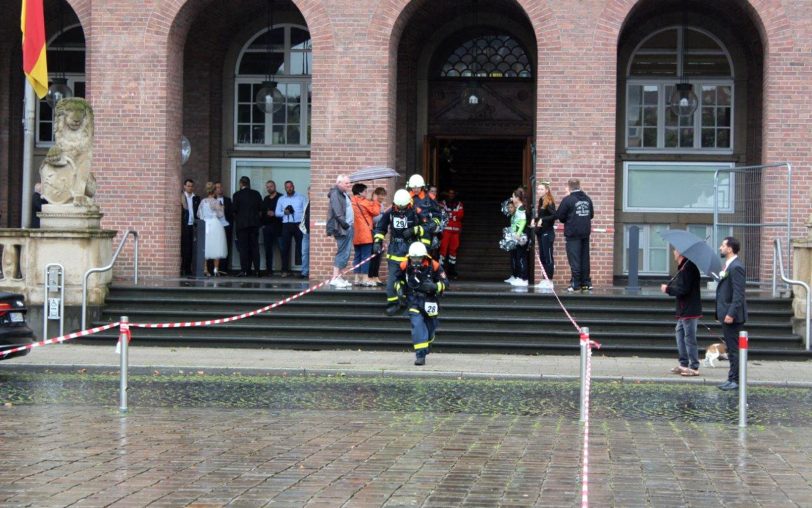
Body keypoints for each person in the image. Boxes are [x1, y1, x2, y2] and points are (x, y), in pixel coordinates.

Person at [394, 241, 449, 366]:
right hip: (414, 300)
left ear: (424, 256)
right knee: (417, 325)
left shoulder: (434, 265)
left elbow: (446, 283)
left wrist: (435, 286)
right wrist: (400, 290)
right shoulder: (405, 265)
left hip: (430, 301)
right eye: (413, 257)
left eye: (418, 257)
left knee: (431, 328)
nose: (416, 260)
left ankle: (427, 343)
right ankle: (420, 355)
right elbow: (398, 279)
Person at [373, 189, 425, 315]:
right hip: (395, 251)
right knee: (392, 280)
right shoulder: (390, 212)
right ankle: (393, 303)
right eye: (398, 206)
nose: (401, 209)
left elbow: (428, 227)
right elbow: (381, 227)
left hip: (412, 252)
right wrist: (377, 241)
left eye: (403, 207)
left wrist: (415, 230)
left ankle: (412, 303)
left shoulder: (416, 212)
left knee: (412, 278)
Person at [661, 247, 702, 376]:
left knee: (689, 339)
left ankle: (694, 367)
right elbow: (681, 287)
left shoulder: (689, 268)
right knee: (680, 335)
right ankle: (683, 364)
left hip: (689, 310)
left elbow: (683, 290)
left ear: (680, 253)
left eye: (675, 250)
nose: (673, 252)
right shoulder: (683, 267)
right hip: (683, 310)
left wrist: (668, 290)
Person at [716, 236, 747, 391]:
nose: (720, 248)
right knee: (731, 348)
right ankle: (731, 378)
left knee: (734, 350)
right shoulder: (728, 266)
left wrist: (730, 313)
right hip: (726, 314)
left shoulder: (736, 267)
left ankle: (735, 380)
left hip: (733, 316)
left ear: (729, 248)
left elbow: (738, 294)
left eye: (722, 245)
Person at [557, 178, 594, 292]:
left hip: (573, 233)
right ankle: (586, 283)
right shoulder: (587, 199)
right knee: (584, 257)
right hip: (585, 232)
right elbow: (591, 215)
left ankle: (575, 283)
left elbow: (560, 216)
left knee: (574, 259)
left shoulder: (568, 200)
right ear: (579, 186)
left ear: (569, 187)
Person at [326, 175, 354, 288]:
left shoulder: (343, 194)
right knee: (342, 252)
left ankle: (339, 277)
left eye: (349, 183)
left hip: (347, 227)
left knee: (346, 253)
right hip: (341, 228)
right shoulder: (335, 194)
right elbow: (338, 213)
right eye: (346, 183)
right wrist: (346, 225)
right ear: (339, 183)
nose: (349, 185)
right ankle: (335, 277)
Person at [351, 183, 381, 286]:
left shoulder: (351, 201)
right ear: (360, 192)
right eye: (365, 191)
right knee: (365, 256)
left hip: (355, 234)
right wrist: (376, 201)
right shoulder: (364, 202)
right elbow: (376, 212)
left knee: (357, 256)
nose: (367, 193)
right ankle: (364, 278)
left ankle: (356, 278)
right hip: (365, 234)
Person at [232, 176, 263, 277]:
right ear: (249, 184)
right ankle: (257, 270)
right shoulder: (256, 194)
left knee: (244, 248)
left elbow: (234, 210)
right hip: (254, 225)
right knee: (255, 247)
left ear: (241, 184)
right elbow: (261, 208)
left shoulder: (237, 195)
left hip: (242, 225)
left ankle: (245, 270)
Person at [275, 180, 306, 277]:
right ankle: (285, 270)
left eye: (291, 186)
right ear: (285, 188)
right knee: (285, 248)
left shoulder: (301, 197)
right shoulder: (281, 199)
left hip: (298, 224)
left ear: (294, 186)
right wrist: (284, 212)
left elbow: (306, 211)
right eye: (287, 187)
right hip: (286, 225)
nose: (289, 188)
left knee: (301, 247)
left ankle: (303, 270)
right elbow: (276, 213)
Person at [197, 182, 228, 276]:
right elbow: (220, 215)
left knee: (205, 246)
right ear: (214, 191)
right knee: (217, 246)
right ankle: (215, 269)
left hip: (205, 225)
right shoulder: (216, 202)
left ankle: (205, 269)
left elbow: (198, 214)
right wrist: (222, 208)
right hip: (215, 224)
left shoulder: (203, 201)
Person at [406, 174, 441, 253]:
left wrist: (431, 225)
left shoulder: (430, 197)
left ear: (422, 186)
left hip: (425, 231)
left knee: (424, 255)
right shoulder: (406, 197)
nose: (415, 189)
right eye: (413, 187)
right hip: (409, 232)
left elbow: (438, 216)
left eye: (417, 187)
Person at [530, 181, 556, 288]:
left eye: (541, 189)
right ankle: (544, 279)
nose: (539, 191)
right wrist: (534, 219)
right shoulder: (541, 200)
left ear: (546, 190)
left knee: (548, 256)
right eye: (538, 189)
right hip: (541, 233)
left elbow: (554, 216)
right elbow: (542, 216)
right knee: (542, 256)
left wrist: (542, 219)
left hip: (547, 233)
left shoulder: (549, 202)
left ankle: (549, 280)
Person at [439, 188, 464, 279]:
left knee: (453, 252)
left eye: (453, 193)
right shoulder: (443, 203)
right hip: (446, 230)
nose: (451, 195)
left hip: (455, 232)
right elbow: (442, 214)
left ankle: (451, 271)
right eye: (449, 193)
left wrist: (450, 214)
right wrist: (453, 214)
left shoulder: (459, 203)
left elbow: (460, 215)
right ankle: (440, 271)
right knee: (443, 251)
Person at [506, 188, 529, 287]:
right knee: (519, 256)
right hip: (517, 234)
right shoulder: (519, 207)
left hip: (521, 235)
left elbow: (522, 221)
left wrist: (518, 233)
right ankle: (519, 277)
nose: (512, 198)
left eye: (513, 196)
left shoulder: (521, 208)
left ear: (518, 198)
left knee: (521, 257)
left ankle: (524, 278)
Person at [261, 180, 283, 276]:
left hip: (279, 226)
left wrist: (274, 213)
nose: (269, 188)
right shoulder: (265, 199)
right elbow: (262, 212)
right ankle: (268, 270)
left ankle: (284, 270)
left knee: (282, 249)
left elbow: (283, 210)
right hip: (267, 227)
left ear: (275, 186)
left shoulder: (281, 197)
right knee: (268, 249)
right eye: (268, 187)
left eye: (271, 186)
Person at [367, 187, 388, 286]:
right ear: (376, 194)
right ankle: (371, 276)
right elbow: (374, 219)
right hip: (373, 232)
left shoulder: (381, 205)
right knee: (374, 255)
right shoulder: (372, 204)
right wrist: (384, 215)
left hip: (380, 232)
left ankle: (376, 276)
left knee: (378, 255)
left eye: (383, 195)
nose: (382, 197)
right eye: (380, 194)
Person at [180, 178, 200, 276]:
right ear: (184, 186)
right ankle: (184, 268)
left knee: (191, 248)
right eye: (188, 186)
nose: (190, 188)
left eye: (191, 186)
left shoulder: (196, 198)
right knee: (184, 247)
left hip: (193, 225)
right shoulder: (181, 197)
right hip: (185, 225)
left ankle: (189, 269)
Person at [213, 181, 234, 274]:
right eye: (217, 187)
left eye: (220, 187)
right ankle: (214, 268)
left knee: (226, 247)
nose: (219, 189)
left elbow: (232, 214)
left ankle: (224, 268)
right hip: (215, 226)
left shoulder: (228, 200)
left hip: (226, 226)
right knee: (215, 247)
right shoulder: (212, 200)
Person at [299, 186, 310, 279]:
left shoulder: (318, 204)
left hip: (314, 233)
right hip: (306, 232)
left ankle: (312, 271)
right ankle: (304, 272)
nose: (310, 194)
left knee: (314, 253)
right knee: (304, 252)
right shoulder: (306, 203)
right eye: (309, 193)